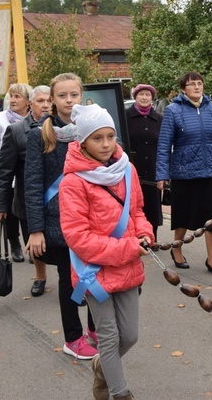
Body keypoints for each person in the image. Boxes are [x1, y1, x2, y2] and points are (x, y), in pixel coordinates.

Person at [60, 103, 152, 400]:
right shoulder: (73, 182)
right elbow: (77, 237)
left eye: (110, 136)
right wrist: (128, 247)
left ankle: (101, 367)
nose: (105, 144)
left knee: (130, 336)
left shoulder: (128, 169)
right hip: (93, 273)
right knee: (109, 337)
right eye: (97, 138)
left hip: (127, 265)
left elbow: (137, 210)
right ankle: (119, 392)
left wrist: (144, 233)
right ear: (83, 141)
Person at [24, 73, 98, 360]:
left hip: (91, 218)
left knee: (92, 277)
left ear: (82, 96)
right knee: (69, 281)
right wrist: (36, 229)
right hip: (59, 220)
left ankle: (93, 329)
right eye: (62, 96)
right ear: (52, 100)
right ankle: (73, 337)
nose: (69, 101)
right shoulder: (39, 134)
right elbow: (32, 183)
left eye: (74, 95)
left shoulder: (91, 128)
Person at [156, 71, 212, 276]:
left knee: (211, 218)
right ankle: (177, 248)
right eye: (192, 84)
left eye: (199, 83)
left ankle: (211, 258)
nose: (196, 87)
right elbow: (163, 145)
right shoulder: (173, 111)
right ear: (183, 89)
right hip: (183, 172)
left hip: (209, 172)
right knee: (183, 215)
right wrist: (162, 174)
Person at [0, 85, 52, 296]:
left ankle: (71, 280)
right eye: (40, 101)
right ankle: (40, 276)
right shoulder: (16, 131)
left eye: (48, 101)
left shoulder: (64, 129)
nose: (45, 105)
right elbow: (3, 171)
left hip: (58, 198)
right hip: (28, 198)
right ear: (30, 104)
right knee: (35, 242)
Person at [0, 84, 32, 262]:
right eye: (11, 96)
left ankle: (32, 247)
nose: (12, 100)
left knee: (29, 214)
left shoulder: (34, 119)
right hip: (7, 178)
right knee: (10, 215)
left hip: (27, 177)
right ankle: (15, 244)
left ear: (28, 101)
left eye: (17, 96)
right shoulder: (0, 118)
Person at [124, 83, 163, 240]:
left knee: (153, 204)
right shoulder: (126, 116)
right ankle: (132, 235)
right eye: (141, 94)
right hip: (133, 167)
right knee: (133, 202)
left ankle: (151, 237)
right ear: (135, 96)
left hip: (153, 167)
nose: (145, 97)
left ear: (152, 98)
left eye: (148, 95)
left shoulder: (159, 119)